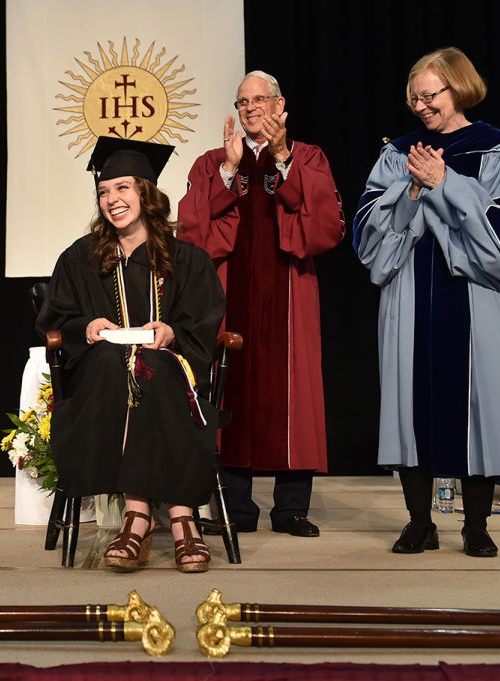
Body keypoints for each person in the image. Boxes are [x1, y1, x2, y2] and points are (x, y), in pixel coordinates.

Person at [353, 47, 500, 557]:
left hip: (473, 297)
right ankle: (419, 523)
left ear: (457, 87)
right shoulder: (401, 153)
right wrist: (413, 192)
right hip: (408, 295)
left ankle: (476, 527)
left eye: (429, 94)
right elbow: (369, 232)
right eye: (413, 97)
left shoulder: (499, 150)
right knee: (410, 406)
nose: (420, 106)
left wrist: (447, 184)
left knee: (473, 408)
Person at [36, 136, 226, 573]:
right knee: (121, 367)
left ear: (145, 192)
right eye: (104, 191)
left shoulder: (187, 259)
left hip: (169, 374)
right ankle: (172, 519)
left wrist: (172, 332)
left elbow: (205, 319)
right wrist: (86, 326)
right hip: (102, 381)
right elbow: (56, 316)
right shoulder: (80, 259)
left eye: (122, 188)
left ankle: (151, 518)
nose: (112, 200)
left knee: (155, 368)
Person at [177, 70, 344, 537]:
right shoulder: (213, 161)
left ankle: (292, 509)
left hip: (290, 296)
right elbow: (190, 232)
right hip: (229, 297)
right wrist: (228, 173)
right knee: (230, 391)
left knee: (295, 394)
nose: (250, 107)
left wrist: (283, 159)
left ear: (278, 105)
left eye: (259, 99)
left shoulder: (307, 157)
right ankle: (236, 509)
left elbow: (327, 226)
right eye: (242, 101)